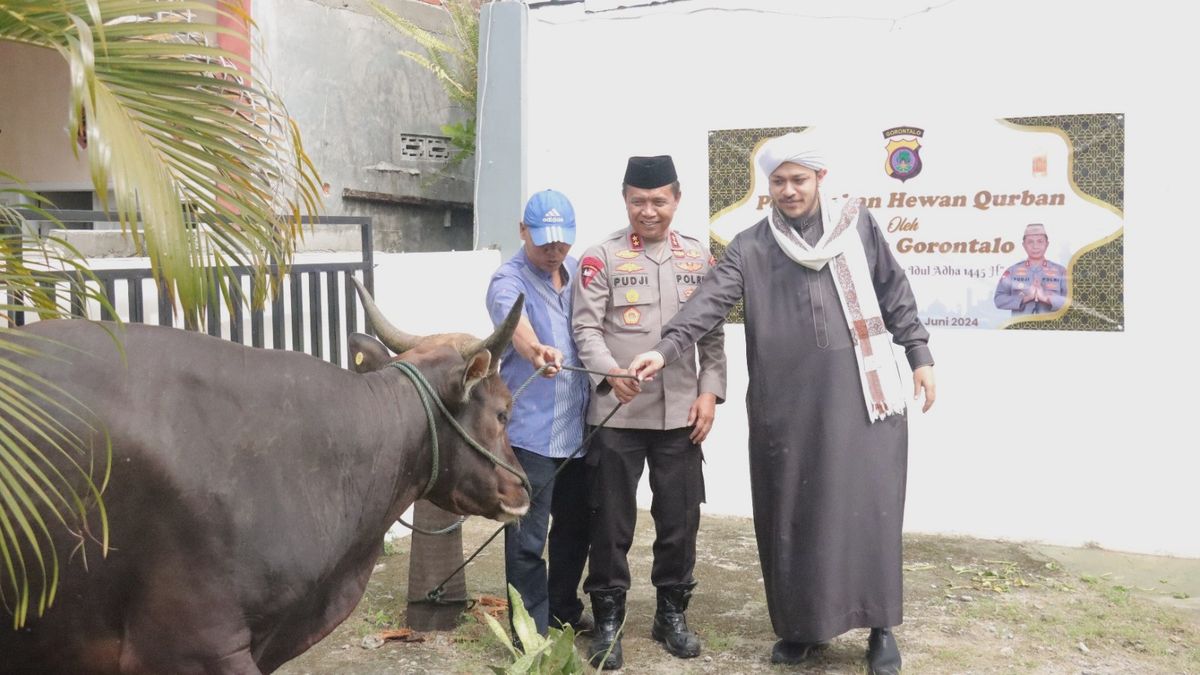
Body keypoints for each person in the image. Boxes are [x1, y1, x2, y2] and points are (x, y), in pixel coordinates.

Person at [627, 132, 936, 675]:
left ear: (820, 180)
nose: (789, 191)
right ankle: (801, 628)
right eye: (778, 182)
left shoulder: (857, 227)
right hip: (785, 406)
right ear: (767, 188)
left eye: (798, 179)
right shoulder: (751, 245)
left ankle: (880, 627)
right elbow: (708, 306)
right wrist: (663, 350)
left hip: (861, 399)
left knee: (868, 511)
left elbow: (893, 290)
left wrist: (919, 354)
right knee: (793, 514)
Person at [571, 155, 727, 670]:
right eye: (639, 200)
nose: (649, 210)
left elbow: (713, 336)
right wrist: (609, 372)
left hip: (682, 415)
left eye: (659, 200)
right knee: (610, 523)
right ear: (625, 199)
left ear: (676, 199)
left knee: (680, 520)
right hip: (617, 413)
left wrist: (710, 392)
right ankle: (609, 622)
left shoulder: (699, 259)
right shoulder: (603, 257)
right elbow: (585, 330)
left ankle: (671, 614)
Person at [486, 189, 592, 638]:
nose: (554, 252)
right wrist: (536, 353)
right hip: (531, 435)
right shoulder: (507, 279)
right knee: (528, 538)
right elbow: (515, 326)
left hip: (579, 429)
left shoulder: (577, 272)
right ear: (522, 231)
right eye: (545, 242)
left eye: (562, 243)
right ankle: (530, 629)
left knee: (576, 528)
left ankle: (564, 608)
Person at [993, 223, 1069, 315]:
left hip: (1051, 327)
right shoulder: (1012, 271)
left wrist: (1046, 298)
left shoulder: (1061, 271)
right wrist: (1026, 298)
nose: (1035, 246)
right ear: (1024, 245)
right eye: (1030, 242)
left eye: (1040, 241)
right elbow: (999, 299)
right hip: (1020, 327)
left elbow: (1072, 302)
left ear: (1047, 244)